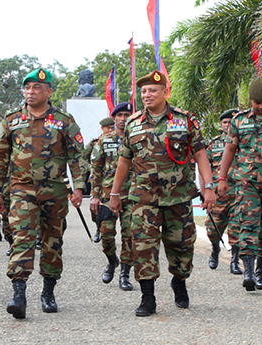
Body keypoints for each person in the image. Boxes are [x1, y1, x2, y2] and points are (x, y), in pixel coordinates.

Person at [110, 71, 216, 316]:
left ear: (165, 92)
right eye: (144, 91)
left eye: (152, 90)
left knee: (182, 246)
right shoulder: (133, 124)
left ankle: (179, 281)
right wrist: (115, 195)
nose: (147, 95)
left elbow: (200, 154)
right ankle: (148, 297)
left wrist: (208, 187)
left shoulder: (184, 119)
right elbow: (124, 161)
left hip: (178, 196)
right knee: (143, 247)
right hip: (143, 198)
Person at [0, 68, 85, 319]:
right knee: (22, 238)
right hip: (22, 190)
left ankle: (48, 291)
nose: (31, 92)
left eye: (37, 88)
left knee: (53, 243)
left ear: (48, 92)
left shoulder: (64, 120)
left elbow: (76, 156)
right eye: (28, 88)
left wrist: (80, 188)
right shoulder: (11, 120)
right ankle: (19, 295)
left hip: (54, 191)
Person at [218, 79, 262, 292]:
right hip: (246, 182)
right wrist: (222, 178)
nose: (261, 106)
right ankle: (249, 273)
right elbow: (229, 150)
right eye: (256, 102)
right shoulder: (239, 120)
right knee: (249, 223)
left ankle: (261, 273)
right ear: (250, 100)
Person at [90, 103, 134, 290]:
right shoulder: (104, 140)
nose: (123, 119)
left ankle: (125, 274)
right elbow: (96, 168)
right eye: (120, 115)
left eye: (127, 115)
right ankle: (111, 260)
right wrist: (94, 195)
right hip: (108, 196)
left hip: (133, 194)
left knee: (129, 236)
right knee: (106, 234)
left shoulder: (139, 138)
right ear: (114, 118)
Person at [205, 109, 242, 275]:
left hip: (239, 192)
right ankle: (215, 249)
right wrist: (206, 189)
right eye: (225, 122)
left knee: (236, 228)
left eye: (230, 121)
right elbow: (204, 167)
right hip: (218, 193)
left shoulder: (244, 141)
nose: (228, 125)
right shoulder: (214, 144)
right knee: (213, 229)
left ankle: (235, 261)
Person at [82, 134, 100, 242]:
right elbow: (82, 159)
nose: (110, 130)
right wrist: (91, 168)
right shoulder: (95, 143)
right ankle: (99, 228)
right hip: (100, 179)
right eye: (108, 127)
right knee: (97, 207)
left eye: (112, 127)